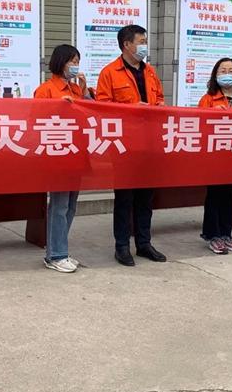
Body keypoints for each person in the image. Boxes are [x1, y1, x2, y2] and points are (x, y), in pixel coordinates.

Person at [95, 24, 167, 266]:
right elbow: (103, 108)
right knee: (124, 199)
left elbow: (160, 98)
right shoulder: (110, 73)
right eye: (141, 41)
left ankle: (144, 244)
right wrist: (132, 109)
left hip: (150, 143)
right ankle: (122, 246)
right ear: (127, 44)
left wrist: (158, 107)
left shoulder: (150, 72)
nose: (145, 45)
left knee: (146, 199)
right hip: (124, 146)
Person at [33, 44, 90, 273]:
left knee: (71, 206)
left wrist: (85, 93)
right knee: (59, 206)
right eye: (72, 61)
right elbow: (36, 121)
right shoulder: (45, 90)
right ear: (60, 62)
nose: (75, 66)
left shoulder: (77, 90)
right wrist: (57, 108)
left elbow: (90, 116)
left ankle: (60, 249)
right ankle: (56, 254)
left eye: (78, 61)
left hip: (76, 154)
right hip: (57, 156)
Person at [198, 58, 232, 255]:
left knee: (229, 197)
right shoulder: (208, 99)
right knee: (215, 196)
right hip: (216, 156)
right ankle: (213, 235)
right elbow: (198, 124)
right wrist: (212, 113)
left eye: (231, 70)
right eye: (223, 70)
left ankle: (226, 234)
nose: (227, 74)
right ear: (216, 75)